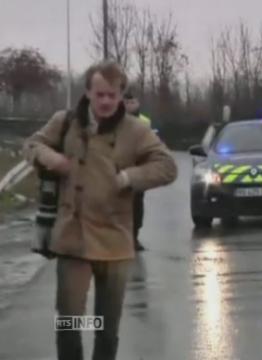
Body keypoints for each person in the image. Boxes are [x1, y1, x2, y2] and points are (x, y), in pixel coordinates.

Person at [23, 61, 177, 360]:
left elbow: (167, 167)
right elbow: (31, 145)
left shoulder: (136, 130)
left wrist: (129, 177)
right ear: (89, 93)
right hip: (72, 238)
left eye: (113, 95)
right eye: (100, 94)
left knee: (106, 328)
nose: (106, 101)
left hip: (115, 241)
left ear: (121, 96)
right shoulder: (65, 121)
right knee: (69, 323)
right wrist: (51, 158)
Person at [123, 91, 152, 251]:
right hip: (121, 167)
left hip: (139, 168)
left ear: (138, 103)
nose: (129, 106)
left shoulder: (144, 121)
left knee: (137, 205)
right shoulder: (116, 120)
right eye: (126, 103)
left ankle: (134, 237)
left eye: (132, 102)